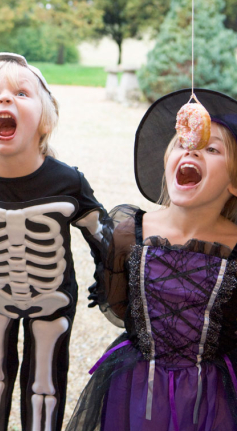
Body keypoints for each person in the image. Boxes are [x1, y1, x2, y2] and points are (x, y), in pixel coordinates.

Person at [0, 53, 108, 431]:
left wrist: (110, 277)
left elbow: (101, 232)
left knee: (45, 384)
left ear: (45, 119)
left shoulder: (68, 182)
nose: (4, 99)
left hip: (52, 300)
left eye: (21, 92)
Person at [67, 89, 237, 431]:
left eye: (212, 148)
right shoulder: (131, 233)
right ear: (166, 159)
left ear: (234, 181)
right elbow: (118, 304)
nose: (191, 148)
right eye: (182, 143)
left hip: (212, 400)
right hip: (136, 391)